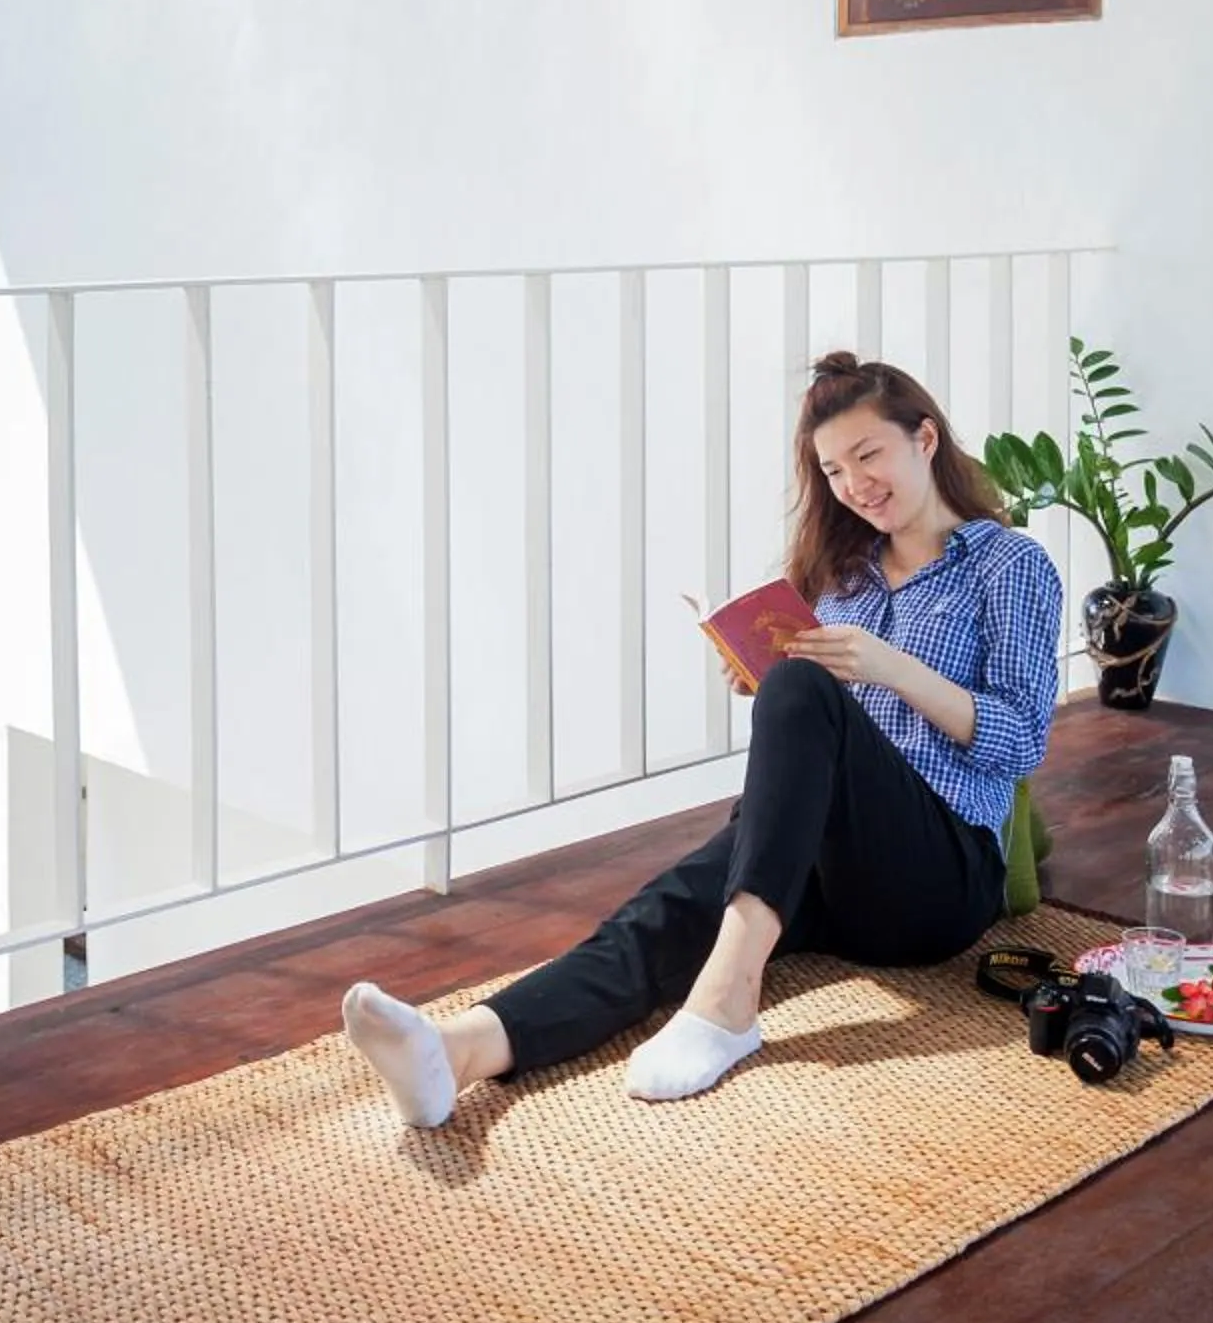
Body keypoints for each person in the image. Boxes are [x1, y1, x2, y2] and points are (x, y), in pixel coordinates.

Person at [343, 349, 1063, 1124]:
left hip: (938, 876)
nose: (854, 485)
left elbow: (1022, 741)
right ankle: (460, 1051)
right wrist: (766, 680)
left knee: (800, 695)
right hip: (829, 865)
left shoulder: (1008, 564)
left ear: (924, 439)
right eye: (832, 470)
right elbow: (818, 725)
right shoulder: (841, 572)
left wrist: (889, 670)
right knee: (668, 911)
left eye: (868, 455)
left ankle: (726, 1004)